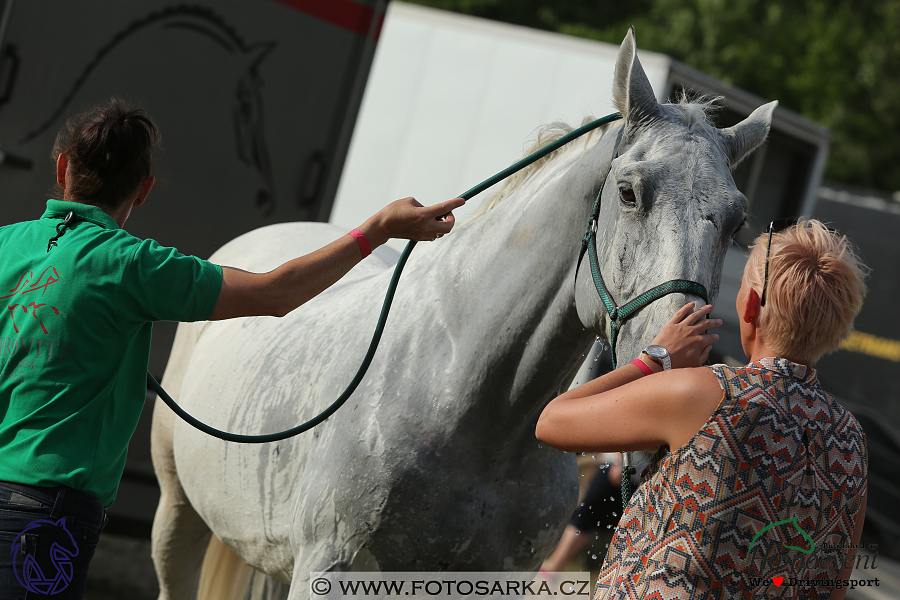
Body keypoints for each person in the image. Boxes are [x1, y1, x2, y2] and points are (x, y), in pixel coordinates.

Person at [0, 99, 463, 599]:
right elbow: (275, 293)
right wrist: (376, 231)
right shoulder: (135, 265)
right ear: (144, 189)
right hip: (44, 513)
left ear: (63, 167)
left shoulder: (7, 243)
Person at [537, 219, 868, 600]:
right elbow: (833, 587)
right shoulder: (850, 440)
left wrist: (654, 359)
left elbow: (552, 422)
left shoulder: (709, 393)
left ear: (750, 305)